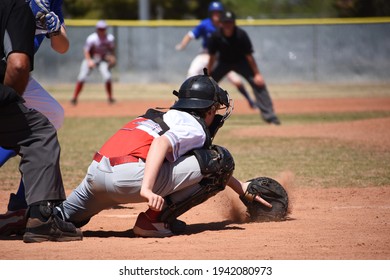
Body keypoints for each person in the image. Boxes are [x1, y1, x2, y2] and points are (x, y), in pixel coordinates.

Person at [57, 70, 272, 238]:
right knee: (220, 160)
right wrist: (147, 190)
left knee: (57, 218)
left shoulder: (166, 116)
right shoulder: (194, 126)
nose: (214, 116)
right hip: (129, 178)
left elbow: (188, 160)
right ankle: (154, 220)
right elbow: (162, 144)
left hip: (96, 175)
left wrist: (241, 188)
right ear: (207, 110)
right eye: (214, 110)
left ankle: (30, 219)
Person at [0, 0, 82, 243]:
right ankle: (28, 207)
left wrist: (54, 27)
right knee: (34, 130)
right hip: (11, 70)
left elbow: (62, 47)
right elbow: (17, 64)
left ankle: (22, 204)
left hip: (20, 73)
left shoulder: (50, 1)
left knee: (52, 115)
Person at [175, 1, 257, 109]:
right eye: (214, 13)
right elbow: (190, 35)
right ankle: (181, 100)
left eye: (218, 13)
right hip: (205, 54)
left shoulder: (226, 25)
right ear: (210, 13)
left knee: (236, 80)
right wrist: (182, 45)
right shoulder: (205, 24)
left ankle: (250, 101)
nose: (216, 15)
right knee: (192, 73)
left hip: (222, 58)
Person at [207, 10, 281, 125]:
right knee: (208, 84)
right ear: (221, 23)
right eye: (225, 22)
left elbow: (249, 56)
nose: (228, 25)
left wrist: (257, 74)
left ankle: (270, 116)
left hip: (241, 62)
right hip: (223, 63)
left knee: (258, 84)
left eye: (230, 22)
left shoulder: (241, 35)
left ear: (234, 23)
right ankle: (202, 113)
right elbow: (212, 56)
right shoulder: (216, 36)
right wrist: (209, 72)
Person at [71, 20, 116, 105]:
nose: (101, 30)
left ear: (106, 29)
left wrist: (112, 58)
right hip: (91, 59)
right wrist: (89, 61)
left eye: (103, 29)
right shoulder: (92, 38)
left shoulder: (110, 38)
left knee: (108, 77)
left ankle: (110, 98)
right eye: (100, 29)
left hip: (103, 60)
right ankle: (74, 98)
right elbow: (86, 50)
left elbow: (111, 49)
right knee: (82, 77)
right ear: (97, 29)